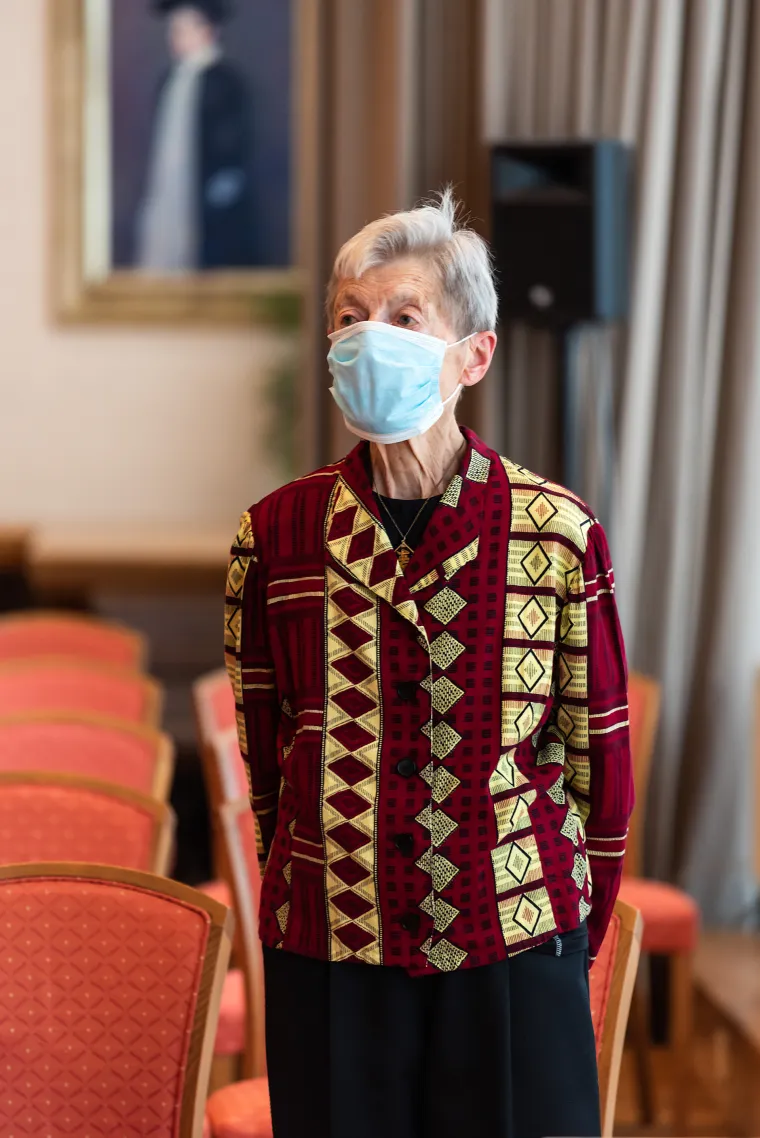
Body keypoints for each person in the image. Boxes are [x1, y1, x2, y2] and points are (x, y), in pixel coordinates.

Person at [224, 189, 634, 1138]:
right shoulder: (275, 535)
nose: (369, 338)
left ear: (473, 356)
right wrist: (319, 872)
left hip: (513, 939)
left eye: (404, 319)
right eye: (350, 318)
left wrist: (565, 922)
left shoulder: (556, 533)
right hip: (331, 938)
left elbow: (599, 766)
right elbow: (267, 757)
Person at [136, 0, 253, 271]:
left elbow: (233, 144)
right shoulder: (170, 79)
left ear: (208, 31)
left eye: (183, 29)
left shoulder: (223, 81)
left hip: (211, 200)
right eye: (173, 30)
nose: (174, 37)